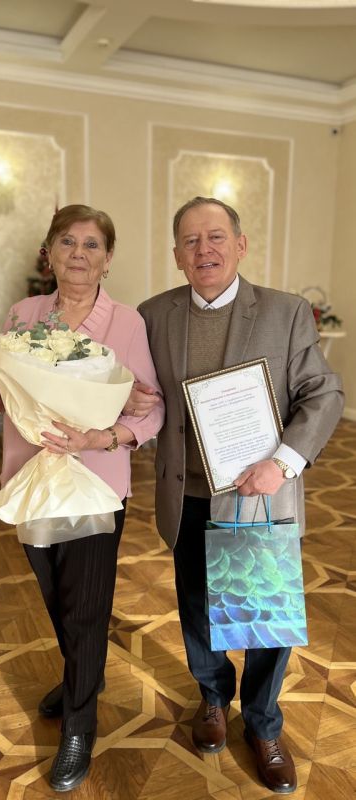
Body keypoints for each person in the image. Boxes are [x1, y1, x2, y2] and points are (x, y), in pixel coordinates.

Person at [129, 196, 344, 794]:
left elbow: (323, 393)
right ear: (176, 254)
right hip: (187, 495)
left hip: (259, 493)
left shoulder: (285, 311)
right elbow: (143, 394)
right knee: (197, 610)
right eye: (191, 240)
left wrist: (283, 463)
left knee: (264, 621)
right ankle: (212, 697)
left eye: (216, 237)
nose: (205, 250)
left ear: (241, 245)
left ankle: (264, 725)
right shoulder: (153, 315)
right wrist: (133, 400)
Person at [0, 204, 165, 793]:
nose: (79, 253)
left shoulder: (127, 323)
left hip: (94, 482)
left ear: (108, 258)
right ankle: (85, 674)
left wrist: (101, 436)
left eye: (92, 244)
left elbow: (150, 409)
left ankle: (80, 723)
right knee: (54, 595)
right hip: (31, 479)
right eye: (67, 242)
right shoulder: (23, 314)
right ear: (48, 253)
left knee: (86, 606)